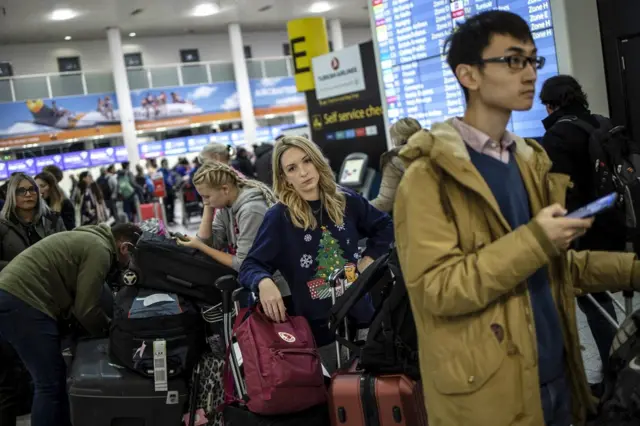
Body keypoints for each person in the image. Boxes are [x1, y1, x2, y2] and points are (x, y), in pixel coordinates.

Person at [393, 10, 640, 426]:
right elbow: (438, 289)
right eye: (512, 61)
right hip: (488, 401)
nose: (529, 74)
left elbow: (556, 269)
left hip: (559, 383)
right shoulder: (428, 177)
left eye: (532, 60)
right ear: (468, 75)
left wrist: (633, 269)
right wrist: (537, 240)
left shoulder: (530, 160)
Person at [238, 136, 394, 373]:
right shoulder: (280, 217)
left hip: (363, 320)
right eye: (292, 168)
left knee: (366, 395)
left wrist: (369, 258)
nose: (303, 172)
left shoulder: (345, 200)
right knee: (333, 397)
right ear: (285, 178)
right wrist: (264, 281)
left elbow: (385, 226)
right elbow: (250, 265)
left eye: (307, 161)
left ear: (317, 161)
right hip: (319, 334)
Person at [0, 223, 142, 426]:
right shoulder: (99, 249)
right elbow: (86, 309)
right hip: (23, 302)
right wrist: (112, 332)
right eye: (132, 259)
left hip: (11, 297)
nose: (129, 266)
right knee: (49, 384)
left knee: (47, 381)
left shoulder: (89, 238)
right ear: (124, 247)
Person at [540, 74, 622, 381]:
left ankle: (615, 376)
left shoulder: (558, 136)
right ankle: (620, 365)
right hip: (615, 222)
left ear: (550, 104)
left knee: (594, 303)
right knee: (608, 299)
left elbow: (559, 194)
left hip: (583, 231)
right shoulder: (602, 123)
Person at [0, 173, 67, 426]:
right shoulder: (2, 225)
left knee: (51, 377)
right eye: (22, 191)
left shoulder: (52, 220)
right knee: (17, 380)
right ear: (11, 196)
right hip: (14, 305)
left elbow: (66, 253)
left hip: (50, 303)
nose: (28, 194)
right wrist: (26, 265)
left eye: (32, 190)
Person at [178, 161, 289, 296]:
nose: (204, 201)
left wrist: (201, 247)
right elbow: (209, 241)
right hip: (265, 281)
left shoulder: (251, 210)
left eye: (206, 196)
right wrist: (208, 206)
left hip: (281, 285)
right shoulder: (226, 205)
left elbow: (242, 264)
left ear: (225, 189)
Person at [369, 117, 422, 213]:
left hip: (416, 218)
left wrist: (361, 208)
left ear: (398, 138)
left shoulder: (395, 160)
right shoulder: (434, 150)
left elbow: (385, 203)